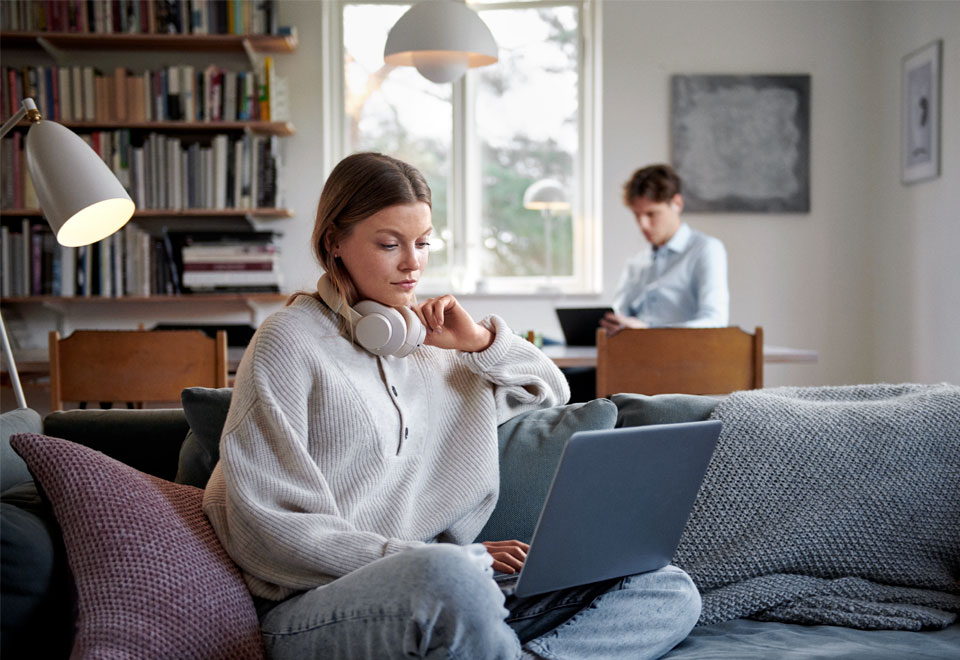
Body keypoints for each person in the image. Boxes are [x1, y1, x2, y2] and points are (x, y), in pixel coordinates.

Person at [202, 152, 701, 659]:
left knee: (665, 584)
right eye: (389, 244)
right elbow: (267, 528)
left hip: (454, 591)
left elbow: (552, 390)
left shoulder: (432, 344)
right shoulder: (287, 341)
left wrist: (481, 341)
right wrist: (451, 560)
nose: (412, 263)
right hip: (318, 604)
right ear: (335, 241)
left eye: (422, 243)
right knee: (446, 575)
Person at [601, 164, 729, 336]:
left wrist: (649, 332)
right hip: (631, 355)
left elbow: (715, 321)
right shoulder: (637, 261)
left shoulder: (705, 250)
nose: (642, 225)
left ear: (677, 204)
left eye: (651, 214)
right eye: (637, 215)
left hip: (682, 356)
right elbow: (619, 315)